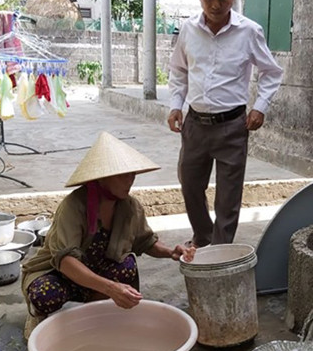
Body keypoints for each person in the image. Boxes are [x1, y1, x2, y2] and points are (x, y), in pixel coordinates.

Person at [21, 132, 195, 338]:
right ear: (102, 177)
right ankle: (39, 316)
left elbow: (145, 241)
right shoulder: (74, 206)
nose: (130, 181)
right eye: (123, 175)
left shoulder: (129, 207)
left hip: (98, 274)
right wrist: (111, 288)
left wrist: (171, 252)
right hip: (60, 275)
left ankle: (95, 312)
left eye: (133, 174)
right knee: (45, 293)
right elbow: (66, 261)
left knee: (127, 266)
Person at [167, 0, 283, 248]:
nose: (215, 5)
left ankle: (220, 250)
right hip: (195, 124)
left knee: (228, 196)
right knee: (190, 184)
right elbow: (178, 70)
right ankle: (203, 237)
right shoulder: (188, 29)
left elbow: (271, 72)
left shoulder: (249, 31)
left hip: (233, 126)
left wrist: (260, 107)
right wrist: (174, 105)